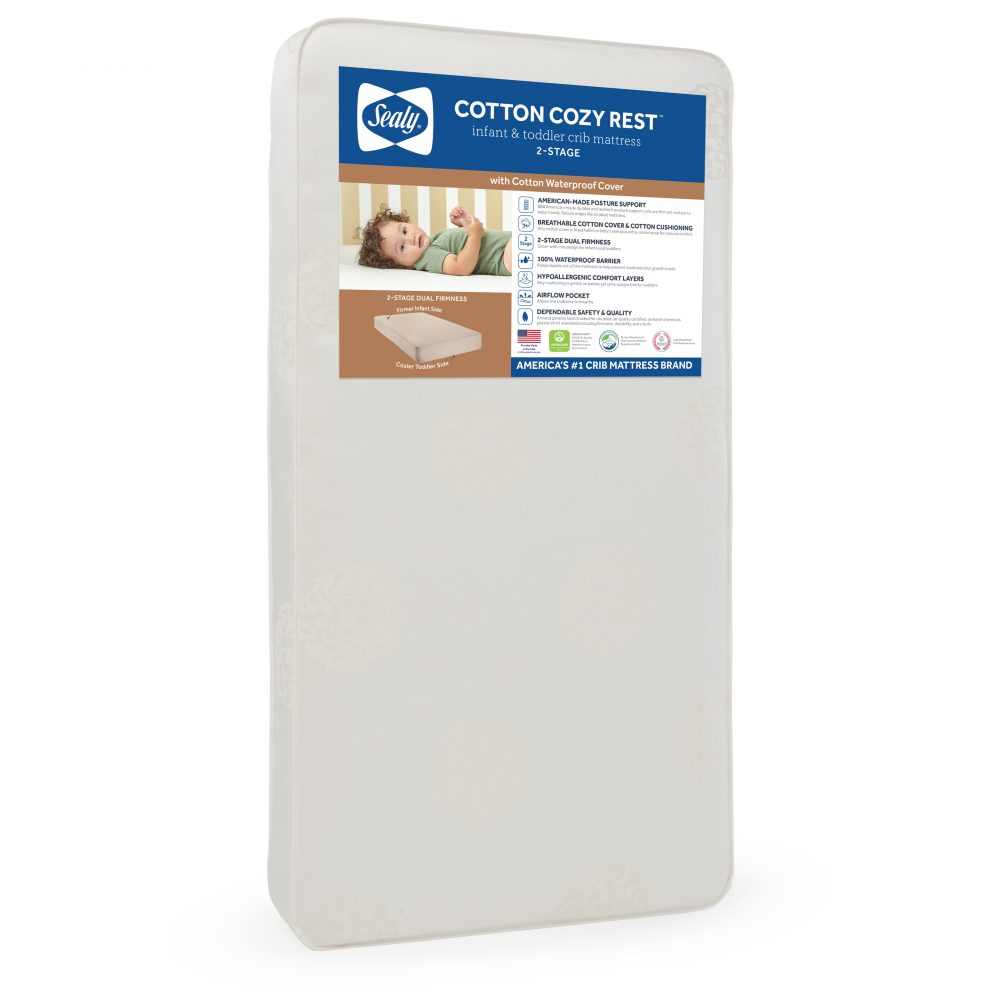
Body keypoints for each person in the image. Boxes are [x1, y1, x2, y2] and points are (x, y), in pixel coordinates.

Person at [355, 204, 512, 276]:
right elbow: (460, 267)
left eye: (404, 230)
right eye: (402, 247)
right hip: (501, 257)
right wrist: (474, 236)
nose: (410, 238)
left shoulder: (434, 240)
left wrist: (463, 224)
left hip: (504, 248)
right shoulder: (428, 257)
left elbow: (461, 245)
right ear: (402, 266)